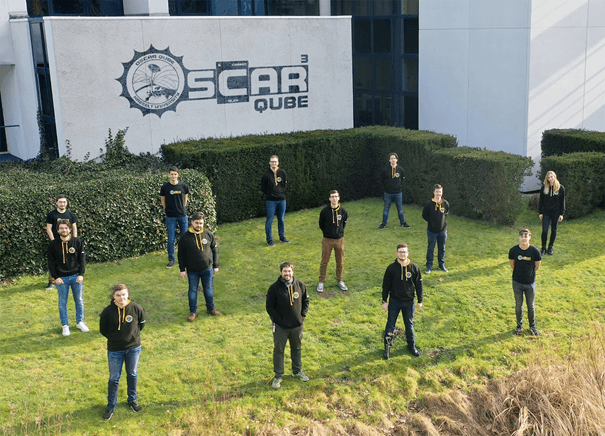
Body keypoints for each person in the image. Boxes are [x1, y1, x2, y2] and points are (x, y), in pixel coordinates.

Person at [99, 283, 146, 421]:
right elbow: (103, 330)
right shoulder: (107, 311)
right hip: (115, 350)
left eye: (124, 294)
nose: (121, 298)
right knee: (114, 378)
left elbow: (142, 324)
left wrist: (132, 338)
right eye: (118, 295)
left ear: (128, 294)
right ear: (113, 296)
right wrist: (115, 339)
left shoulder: (136, 308)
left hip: (133, 348)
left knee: (132, 374)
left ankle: (132, 400)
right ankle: (111, 406)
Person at [266, 262, 310, 389]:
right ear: (281, 272)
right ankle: (278, 376)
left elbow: (306, 301)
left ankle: (297, 371)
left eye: (289, 271)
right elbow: (269, 307)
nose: (287, 274)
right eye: (285, 271)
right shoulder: (274, 288)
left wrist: (302, 317)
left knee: (296, 349)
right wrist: (278, 320)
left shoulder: (300, 285)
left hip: (297, 326)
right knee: (279, 350)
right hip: (280, 327)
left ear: (293, 272)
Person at [47, 219, 88, 336]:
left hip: (76, 277)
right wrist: (55, 277)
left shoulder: (77, 242)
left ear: (70, 229)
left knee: (79, 300)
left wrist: (81, 274)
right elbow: (51, 262)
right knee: (62, 302)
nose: (64, 230)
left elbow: (82, 260)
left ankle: (80, 322)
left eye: (66, 228)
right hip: (61, 279)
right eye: (61, 228)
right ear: (58, 230)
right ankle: (65, 325)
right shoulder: (53, 244)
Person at [381, 243, 423, 359]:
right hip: (394, 301)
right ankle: (387, 349)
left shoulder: (414, 268)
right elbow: (385, 286)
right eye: (400, 252)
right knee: (390, 324)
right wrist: (384, 301)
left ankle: (411, 346)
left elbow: (419, 285)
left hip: (409, 302)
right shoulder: (391, 268)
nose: (402, 254)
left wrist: (420, 301)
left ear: (408, 253)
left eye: (404, 252)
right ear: (396, 253)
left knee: (409, 325)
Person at [178, 212, 222, 320]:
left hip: (208, 269)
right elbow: (180, 255)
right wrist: (182, 270)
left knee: (208, 290)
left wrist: (216, 265)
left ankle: (211, 309)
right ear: (192, 222)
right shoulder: (184, 237)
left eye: (201, 223)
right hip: (192, 271)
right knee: (192, 291)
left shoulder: (208, 234)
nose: (199, 225)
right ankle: (193, 312)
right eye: (196, 223)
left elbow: (214, 250)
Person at [508, 229, 541, 336]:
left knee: (530, 306)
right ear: (519, 238)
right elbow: (512, 265)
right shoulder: (513, 250)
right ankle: (519, 326)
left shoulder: (535, 251)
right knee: (518, 305)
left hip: (530, 283)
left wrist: (529, 276)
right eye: (522, 236)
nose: (523, 238)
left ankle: (532, 327)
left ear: (529, 237)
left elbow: (537, 266)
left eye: (526, 236)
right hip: (517, 282)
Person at [317, 190, 349, 293]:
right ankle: (321, 281)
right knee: (324, 261)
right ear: (330, 198)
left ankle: (339, 280)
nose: (334, 198)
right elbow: (321, 224)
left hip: (339, 240)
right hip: (327, 240)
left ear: (338, 198)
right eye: (332, 197)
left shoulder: (343, 211)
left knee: (340, 261)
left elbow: (343, 224)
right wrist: (327, 233)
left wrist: (339, 233)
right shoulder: (325, 211)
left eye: (336, 196)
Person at [45, 194, 78, 290]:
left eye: (64, 202)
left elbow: (74, 228)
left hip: (69, 242)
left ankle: (69, 280)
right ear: (56, 203)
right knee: (54, 262)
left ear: (66, 203)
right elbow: (48, 229)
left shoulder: (71, 215)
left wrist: (74, 241)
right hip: (57, 243)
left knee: (70, 261)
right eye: (60, 202)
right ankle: (51, 282)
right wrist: (53, 241)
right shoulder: (52, 215)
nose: (62, 204)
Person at [160, 166, 189, 268]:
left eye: (175, 174)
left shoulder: (183, 186)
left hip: (182, 216)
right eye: (171, 174)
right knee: (171, 239)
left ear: (178, 175)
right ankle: (171, 260)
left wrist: (182, 208)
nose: (173, 176)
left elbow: (185, 199)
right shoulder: (165, 187)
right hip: (170, 217)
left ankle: (186, 259)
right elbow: (163, 200)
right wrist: (166, 210)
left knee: (185, 238)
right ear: (168, 175)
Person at [260, 155, 289, 246]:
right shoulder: (266, 175)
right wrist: (270, 194)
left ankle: (282, 237)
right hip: (271, 201)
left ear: (278, 162)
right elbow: (263, 188)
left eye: (275, 161)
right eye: (272, 162)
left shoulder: (282, 173)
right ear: (269, 163)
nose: (274, 163)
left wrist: (281, 193)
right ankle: (269, 240)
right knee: (270, 220)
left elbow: (284, 185)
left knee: (281, 219)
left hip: (281, 200)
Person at [422, 184, 450, 273]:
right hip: (431, 231)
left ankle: (441, 265)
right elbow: (424, 215)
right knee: (431, 248)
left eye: (440, 192)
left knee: (442, 248)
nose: (438, 194)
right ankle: (429, 266)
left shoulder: (445, 203)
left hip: (442, 231)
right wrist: (432, 222)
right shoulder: (429, 204)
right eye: (437, 192)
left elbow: (446, 214)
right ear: (434, 192)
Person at [379, 153, 410, 229]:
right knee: (386, 209)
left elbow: (402, 179)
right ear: (389, 160)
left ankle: (403, 223)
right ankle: (383, 224)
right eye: (391, 158)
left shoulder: (400, 169)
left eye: (394, 158)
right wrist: (386, 187)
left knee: (400, 209)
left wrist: (400, 187)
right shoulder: (385, 170)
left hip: (398, 193)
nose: (393, 160)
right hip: (388, 193)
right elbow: (382, 180)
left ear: (397, 159)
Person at [538, 171, 566, 255]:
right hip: (546, 212)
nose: (550, 179)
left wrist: (561, 214)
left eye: (552, 177)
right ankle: (543, 248)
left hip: (556, 212)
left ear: (555, 177)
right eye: (548, 177)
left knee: (554, 230)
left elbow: (562, 202)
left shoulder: (560, 188)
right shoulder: (544, 187)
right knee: (545, 230)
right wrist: (540, 213)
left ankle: (550, 248)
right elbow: (541, 201)